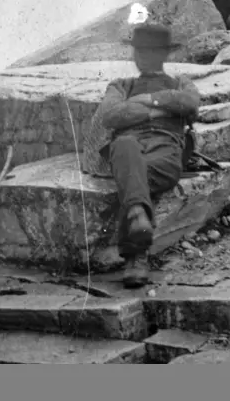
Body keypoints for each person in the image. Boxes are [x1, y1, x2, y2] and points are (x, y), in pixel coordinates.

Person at [82, 23, 202, 289]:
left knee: (133, 175)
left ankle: (137, 223)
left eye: (152, 52)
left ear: (164, 55)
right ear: (134, 55)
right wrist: (160, 111)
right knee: (125, 145)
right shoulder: (121, 84)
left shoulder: (182, 82)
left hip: (165, 150)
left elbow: (191, 103)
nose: (145, 57)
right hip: (129, 148)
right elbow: (111, 115)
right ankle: (137, 255)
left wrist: (145, 99)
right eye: (141, 52)